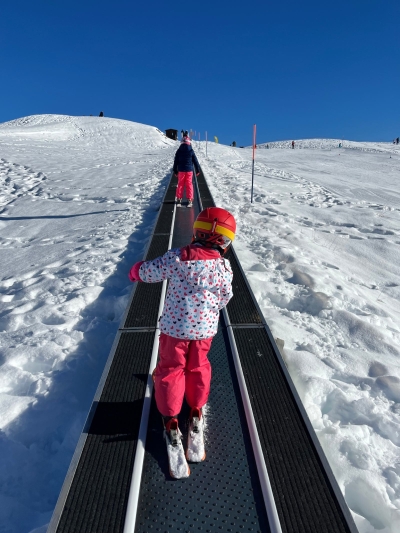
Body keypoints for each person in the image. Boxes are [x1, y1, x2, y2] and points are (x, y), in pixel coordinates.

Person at [128, 207, 236, 478]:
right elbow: (226, 296)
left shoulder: (177, 258)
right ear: (225, 241)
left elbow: (150, 272)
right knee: (198, 367)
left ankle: (171, 418)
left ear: (196, 231)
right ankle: (196, 411)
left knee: (170, 371)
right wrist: (211, 312)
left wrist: (136, 271)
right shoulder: (223, 267)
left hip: (174, 331)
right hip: (204, 332)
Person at [173, 136, 200, 208]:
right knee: (189, 184)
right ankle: (190, 199)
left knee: (180, 184)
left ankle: (179, 199)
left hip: (181, 170)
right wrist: (197, 169)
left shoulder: (179, 151)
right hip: (189, 170)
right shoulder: (191, 150)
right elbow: (195, 161)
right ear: (189, 142)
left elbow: (176, 161)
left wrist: (175, 170)